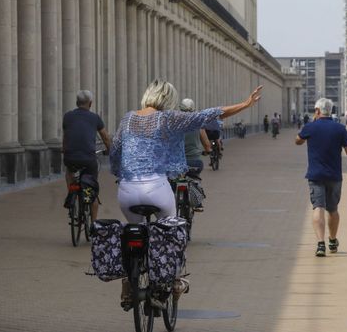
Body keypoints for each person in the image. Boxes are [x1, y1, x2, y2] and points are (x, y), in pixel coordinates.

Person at [110, 80, 262, 308]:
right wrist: (245, 104)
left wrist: (119, 173)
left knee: (134, 233)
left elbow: (115, 150)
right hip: (156, 190)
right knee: (172, 232)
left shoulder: (128, 118)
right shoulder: (169, 118)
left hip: (127, 192)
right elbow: (208, 115)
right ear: (169, 100)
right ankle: (171, 283)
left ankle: (128, 282)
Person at [295, 98, 347, 257]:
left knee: (318, 208)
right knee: (333, 209)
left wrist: (307, 133)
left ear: (317, 111)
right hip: (335, 176)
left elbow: (297, 141)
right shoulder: (339, 128)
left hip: (315, 175)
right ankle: (332, 239)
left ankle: (320, 244)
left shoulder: (310, 127)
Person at [62, 90, 112, 221]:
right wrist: (111, 152)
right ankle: (94, 226)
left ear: (77, 102)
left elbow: (66, 136)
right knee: (91, 190)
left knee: (69, 172)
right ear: (90, 104)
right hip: (88, 159)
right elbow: (106, 138)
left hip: (70, 157)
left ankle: (72, 192)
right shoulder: (95, 118)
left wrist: (64, 150)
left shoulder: (67, 116)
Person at [180, 98, 212, 211]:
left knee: (172, 180)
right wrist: (207, 151)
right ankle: (197, 203)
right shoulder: (198, 124)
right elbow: (207, 145)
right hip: (194, 161)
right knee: (194, 178)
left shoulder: (174, 123)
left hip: (178, 162)